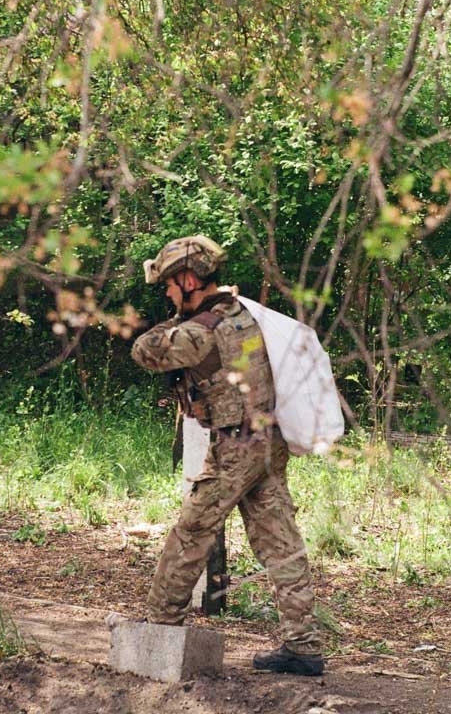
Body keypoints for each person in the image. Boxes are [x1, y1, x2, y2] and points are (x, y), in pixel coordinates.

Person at [130, 235, 325, 676]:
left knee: (192, 531)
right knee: (281, 544)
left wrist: (167, 324)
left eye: (168, 284)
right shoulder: (241, 315)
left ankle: (161, 626)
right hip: (268, 442)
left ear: (188, 279)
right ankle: (303, 645)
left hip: (237, 446)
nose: (165, 292)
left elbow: (145, 352)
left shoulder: (203, 329)